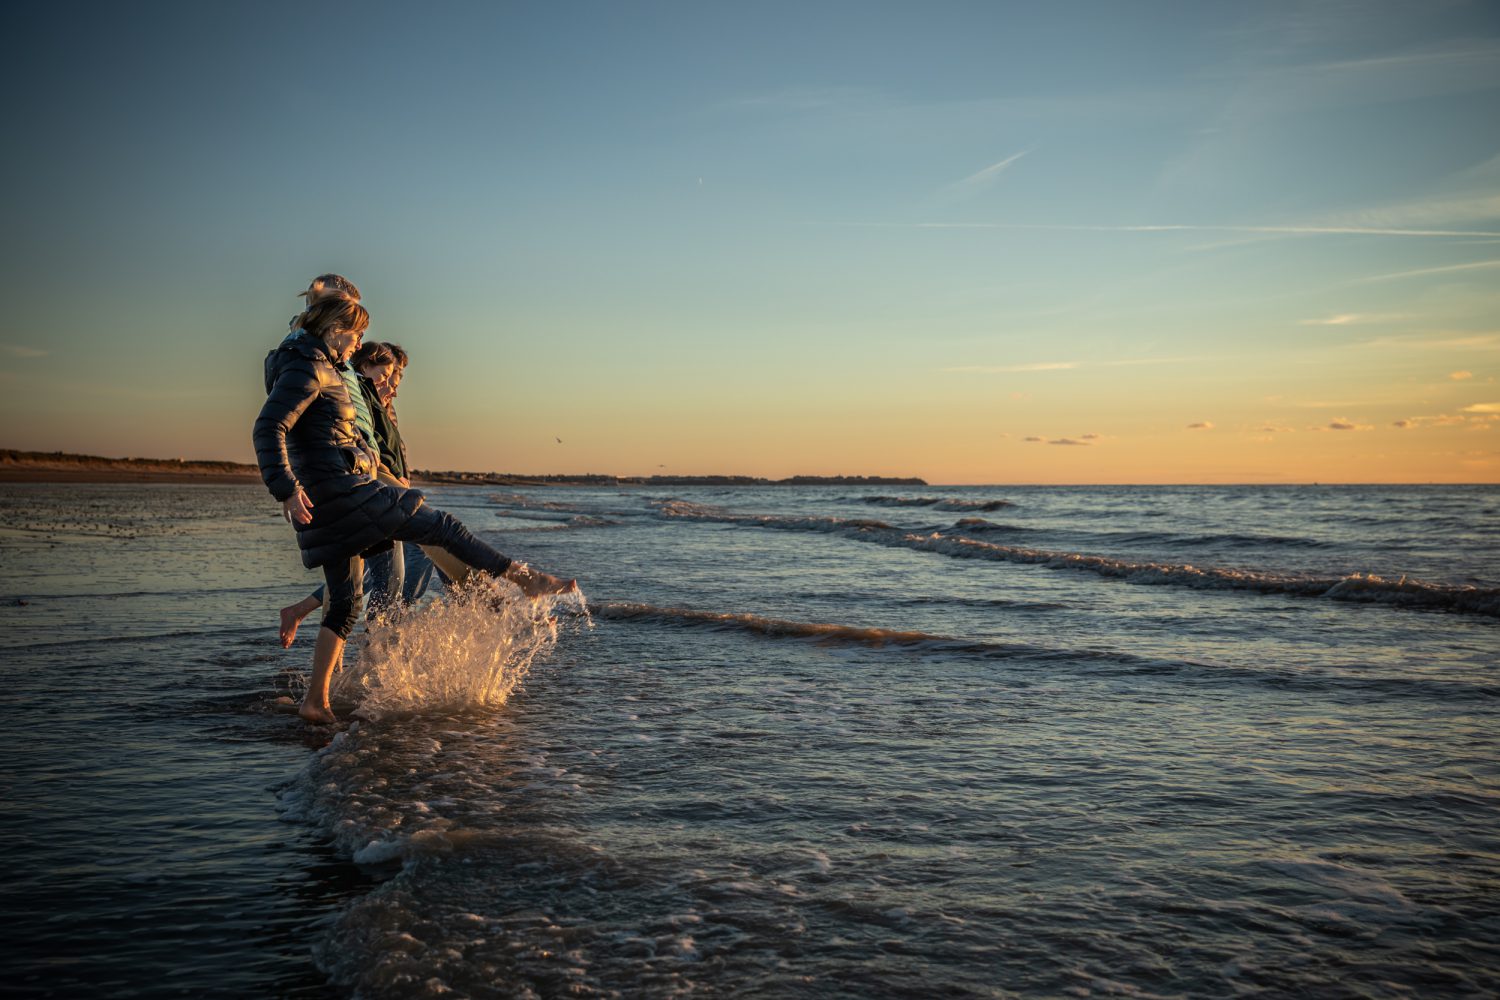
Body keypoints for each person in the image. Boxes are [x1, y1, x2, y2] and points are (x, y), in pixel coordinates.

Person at [254, 286, 576, 724]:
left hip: (332, 494)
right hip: (345, 494)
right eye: (354, 335)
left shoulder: (314, 363)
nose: (356, 344)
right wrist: (286, 487)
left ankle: (316, 702)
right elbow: (269, 426)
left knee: (346, 602)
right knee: (442, 527)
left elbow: (319, 430)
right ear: (333, 330)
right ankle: (526, 579)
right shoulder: (310, 367)